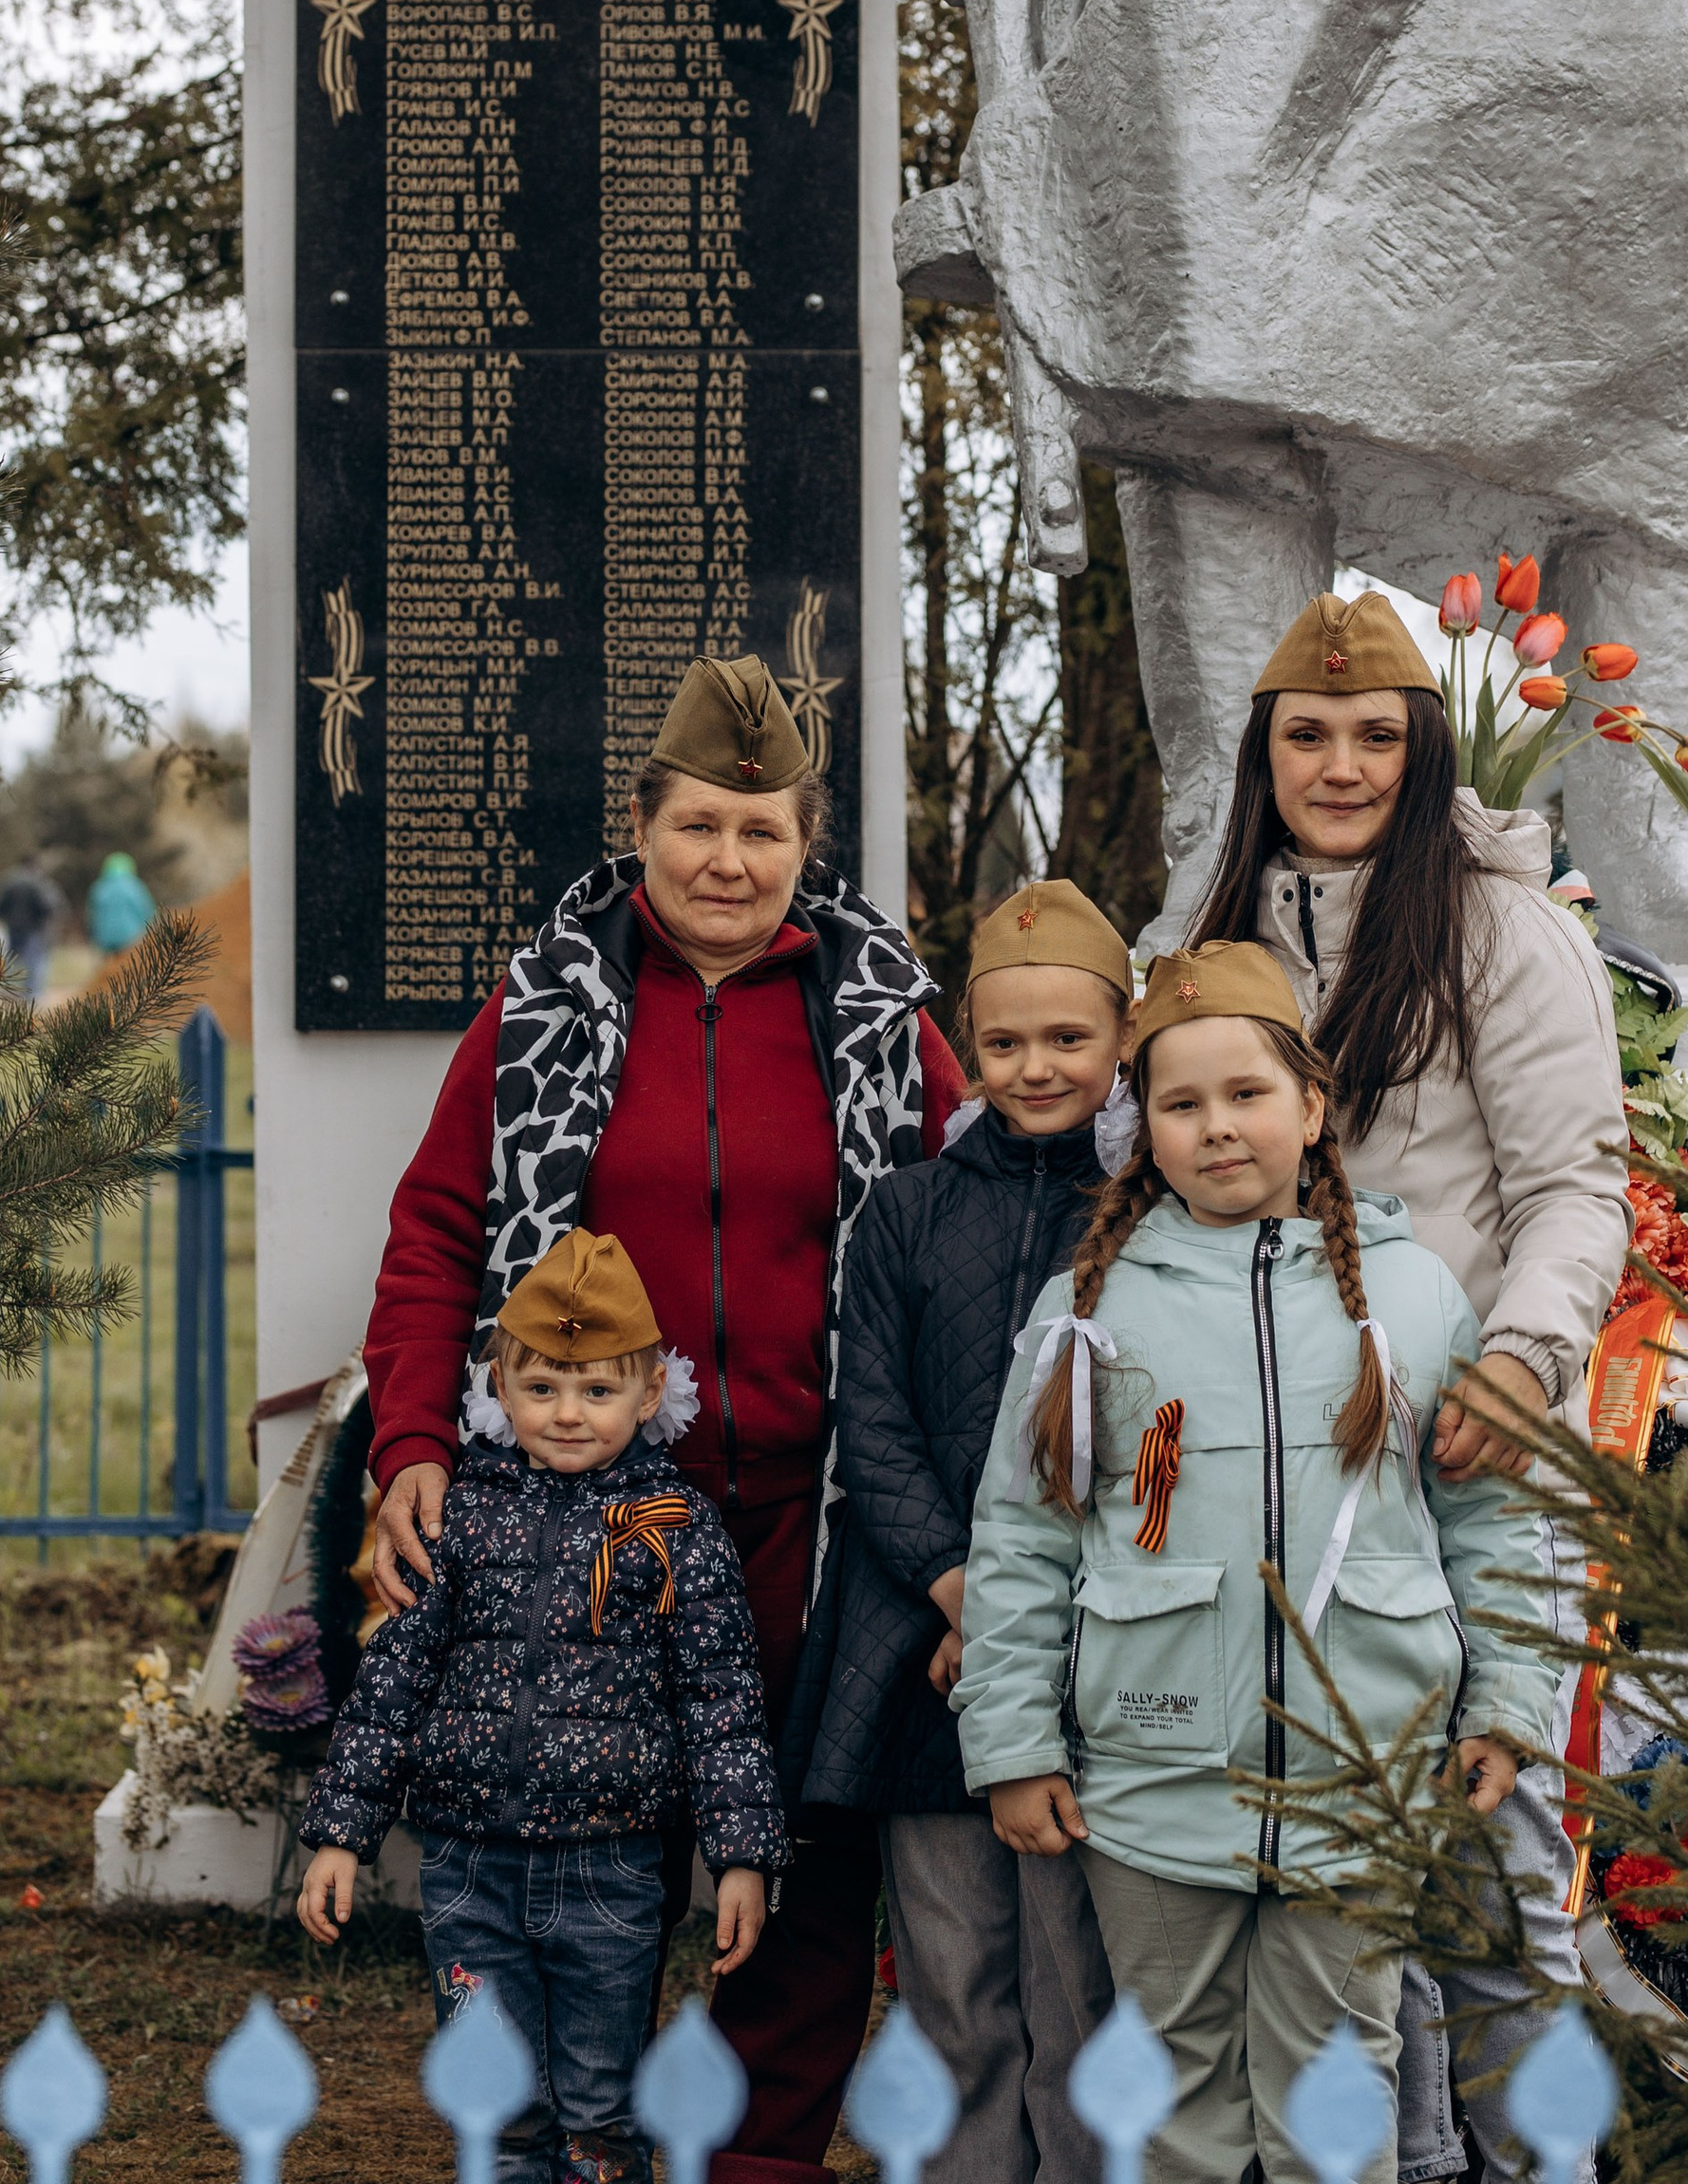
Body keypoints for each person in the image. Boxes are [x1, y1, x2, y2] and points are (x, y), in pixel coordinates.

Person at [360, 653, 965, 2184]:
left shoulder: (880, 1011)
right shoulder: (546, 1002)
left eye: (762, 833)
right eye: (699, 826)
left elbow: (967, 1222)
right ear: (642, 824)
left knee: (808, 1858)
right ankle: (581, 2147)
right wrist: (413, 1450)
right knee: (588, 1871)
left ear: (802, 842)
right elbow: (440, 1227)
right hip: (584, 1520)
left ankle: (756, 2161)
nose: (728, 862)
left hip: (819, 1518)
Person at [951, 942, 1551, 2184]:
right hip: (1156, 1780)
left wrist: (1503, 1703)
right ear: (1144, 1129)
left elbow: (1488, 1521)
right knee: (1175, 2088)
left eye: (1248, 1094)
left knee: (1342, 2085)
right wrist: (1014, 1746)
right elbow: (1021, 1537)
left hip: (1364, 1782)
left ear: (1314, 1108)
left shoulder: (1418, 1298)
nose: (1218, 1128)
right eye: (1181, 1103)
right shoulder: (1089, 1309)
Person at [1189, 587, 1629, 2180]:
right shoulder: (1217, 932)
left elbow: (1580, 1183)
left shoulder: (1508, 929)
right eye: (1308, 734)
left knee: (1494, 1880)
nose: (1342, 763)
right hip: (1286, 1483)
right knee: (1335, 1906)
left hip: (1471, 1467)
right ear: (1267, 752)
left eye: (1377, 735)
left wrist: (1522, 1355)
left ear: (1425, 749)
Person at [298, 1229, 789, 2184]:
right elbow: (391, 1682)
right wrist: (339, 1835)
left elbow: (720, 1701)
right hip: (466, 1869)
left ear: (649, 1394)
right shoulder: (456, 1517)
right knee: (498, 2108)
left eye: (598, 1390)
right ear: (499, 1387)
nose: (568, 1415)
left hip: (607, 1873)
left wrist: (740, 1857)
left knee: (599, 2114)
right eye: (543, 1388)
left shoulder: (674, 1533)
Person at [794, 879, 1132, 2184]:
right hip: (924, 1656)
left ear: (1118, 1046)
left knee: (1079, 1999)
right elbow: (868, 1424)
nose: (1035, 1067)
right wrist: (963, 1598)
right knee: (954, 1992)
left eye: (1068, 1041)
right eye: (1005, 1043)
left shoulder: (1147, 1218)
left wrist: (1032, 1628)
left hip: (1089, 1666)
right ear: (966, 1046)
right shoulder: (909, 1212)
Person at [0, 855, 63, 1001]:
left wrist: (0, 916)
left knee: (11, 961)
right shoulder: (39, 882)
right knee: (34, 963)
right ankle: (32, 996)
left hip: (13, 927)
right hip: (34, 929)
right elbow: (50, 905)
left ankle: (7, 992)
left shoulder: (9, 880)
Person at [85, 849, 157, 956]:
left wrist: (92, 935)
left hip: (105, 939)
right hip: (131, 937)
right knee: (130, 969)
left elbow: (92, 916)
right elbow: (147, 912)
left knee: (110, 970)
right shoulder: (134, 886)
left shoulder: (99, 887)